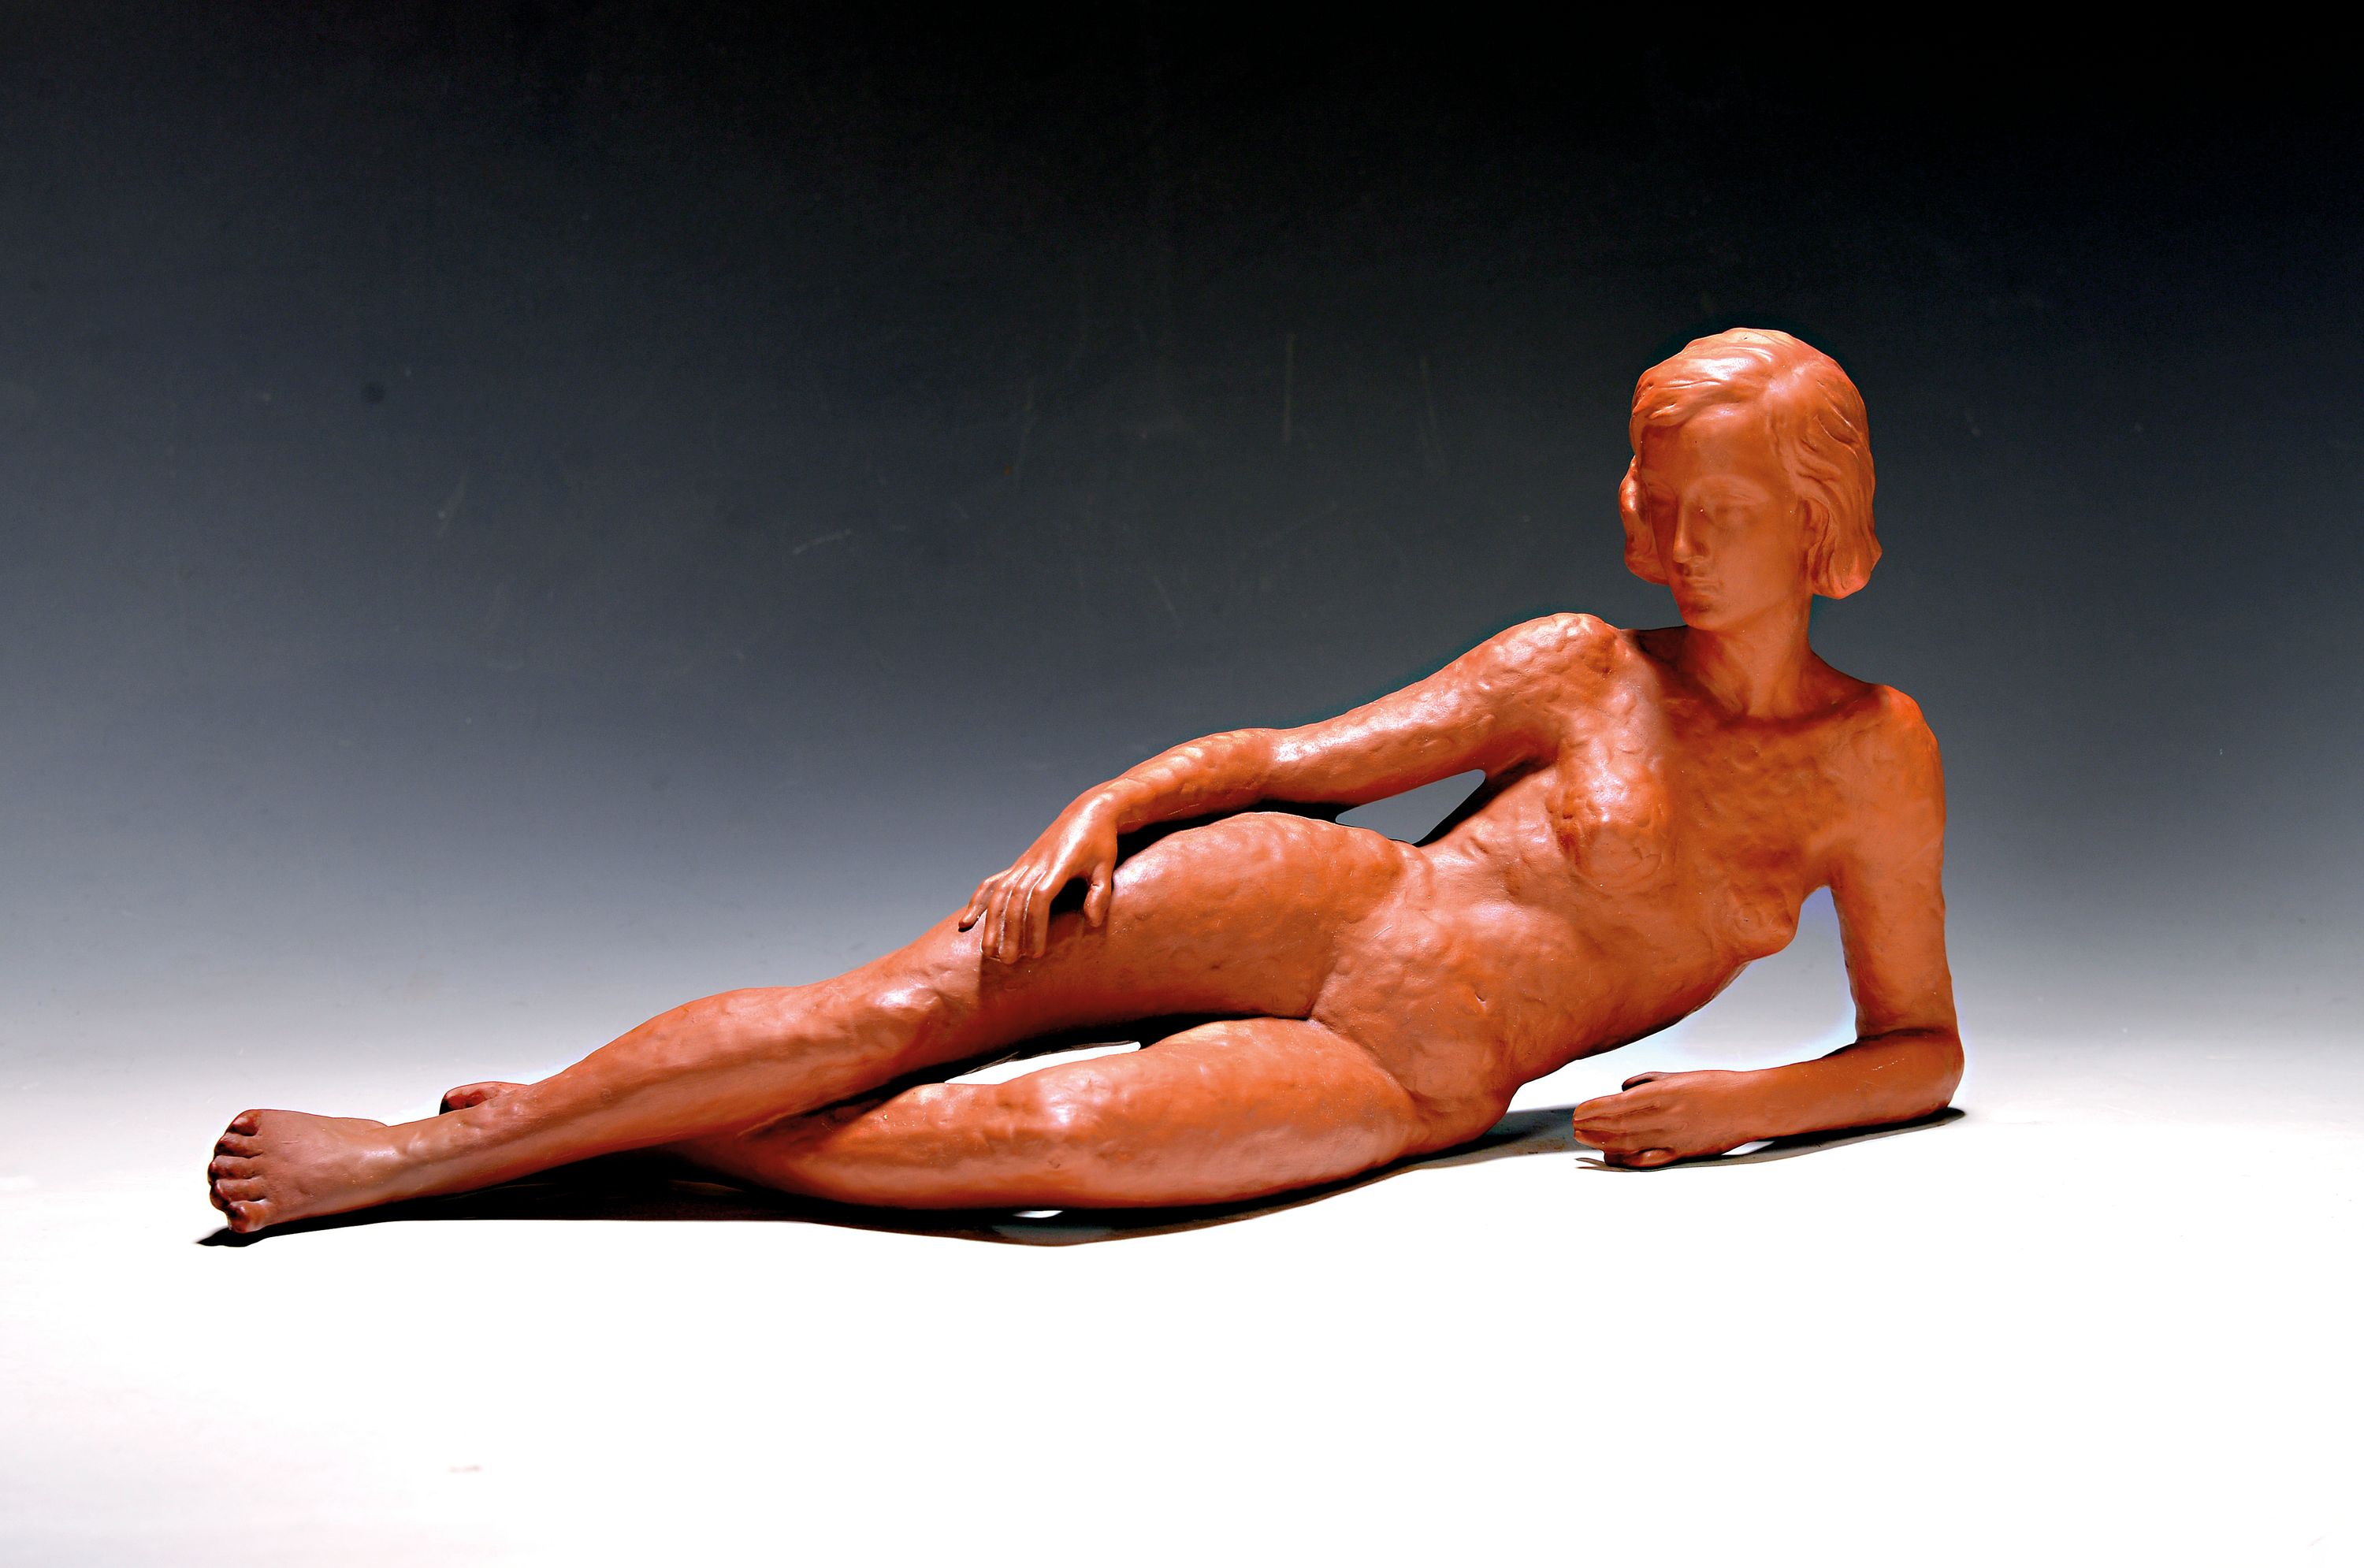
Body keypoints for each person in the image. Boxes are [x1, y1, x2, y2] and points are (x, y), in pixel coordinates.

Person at [206, 328, 1961, 1234]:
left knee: (1042, 1149)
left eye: (1727, 512)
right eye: (1663, 502)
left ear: (1819, 523)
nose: (1680, 541)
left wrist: (1742, 1106)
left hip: (1414, 1065)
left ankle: (613, 1127)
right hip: (1327, 897)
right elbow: (1294, 759)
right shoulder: (1576, 660)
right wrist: (1101, 811)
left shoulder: (1871, 760)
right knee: (893, 1006)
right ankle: (412, 1159)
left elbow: (1920, 1047)